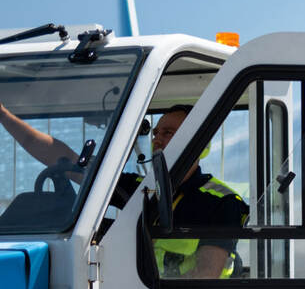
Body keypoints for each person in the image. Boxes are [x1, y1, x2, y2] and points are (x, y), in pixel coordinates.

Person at [0, 102, 248, 278]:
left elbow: (206, 274)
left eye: (169, 133)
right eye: (156, 133)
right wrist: (3, 115)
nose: (158, 140)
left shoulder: (222, 202)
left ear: (199, 142)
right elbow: (65, 160)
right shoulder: (144, 189)